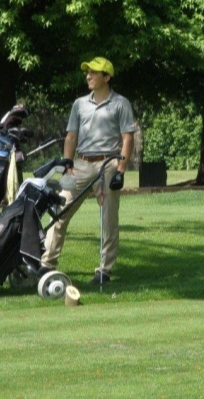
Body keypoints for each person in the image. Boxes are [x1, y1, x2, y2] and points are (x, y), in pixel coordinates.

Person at [39, 57, 136, 285]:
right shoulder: (79, 104)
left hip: (109, 164)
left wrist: (121, 169)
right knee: (59, 210)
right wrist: (67, 164)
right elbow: (71, 136)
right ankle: (46, 264)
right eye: (87, 73)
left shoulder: (121, 103)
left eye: (93, 73)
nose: (88, 76)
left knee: (107, 220)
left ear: (107, 77)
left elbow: (127, 138)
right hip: (79, 165)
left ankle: (105, 270)